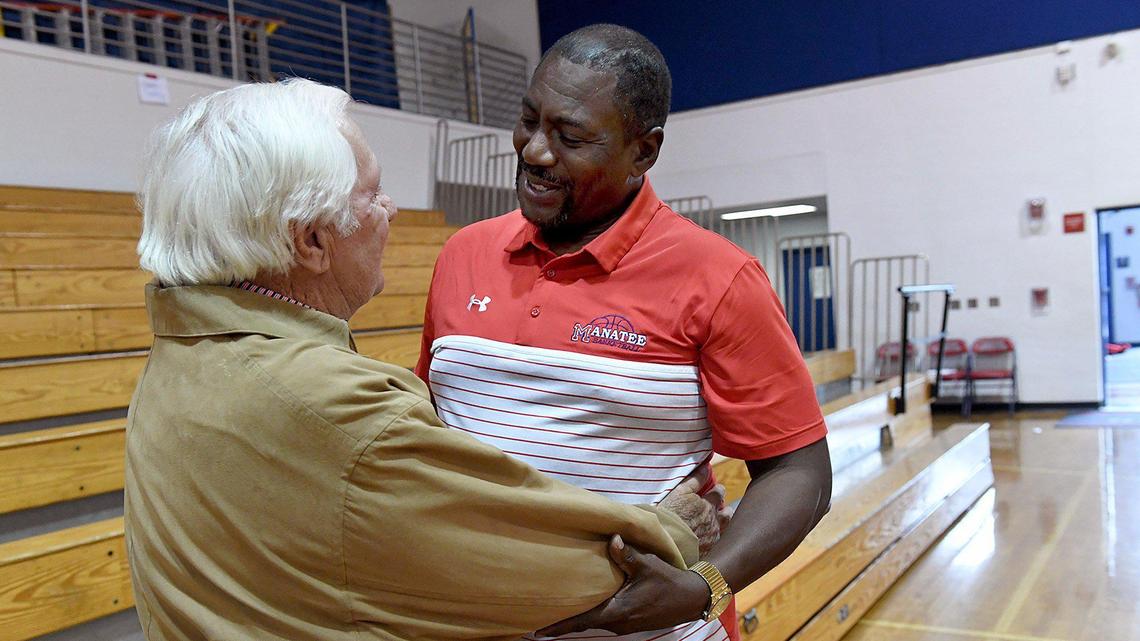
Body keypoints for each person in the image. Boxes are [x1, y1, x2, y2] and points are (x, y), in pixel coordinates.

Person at [124, 78, 723, 641]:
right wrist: (669, 527)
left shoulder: (181, 355)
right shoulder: (341, 410)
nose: (390, 209)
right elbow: (554, 574)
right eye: (372, 194)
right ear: (311, 241)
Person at [415, 24, 833, 641]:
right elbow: (433, 425)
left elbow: (799, 472)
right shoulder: (463, 254)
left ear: (644, 151)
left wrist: (704, 587)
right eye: (528, 121)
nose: (535, 151)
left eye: (570, 137)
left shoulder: (718, 277)